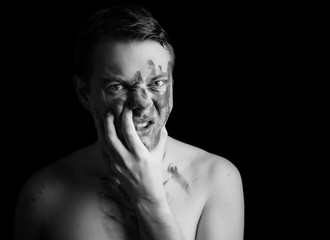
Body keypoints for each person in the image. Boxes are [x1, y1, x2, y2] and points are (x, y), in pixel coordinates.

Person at [14, 4, 244, 240]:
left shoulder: (216, 178)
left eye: (157, 83)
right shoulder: (44, 195)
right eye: (118, 86)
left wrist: (149, 198)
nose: (142, 103)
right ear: (84, 93)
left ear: (173, 85)